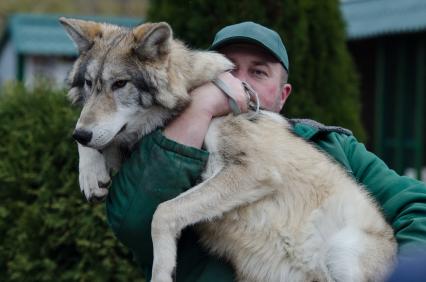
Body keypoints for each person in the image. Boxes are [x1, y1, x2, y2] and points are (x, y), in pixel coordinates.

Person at [106, 22, 426, 281]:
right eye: (229, 71)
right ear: (206, 76)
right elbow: (132, 223)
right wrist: (198, 111)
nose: (240, 84)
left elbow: (414, 203)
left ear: (282, 94)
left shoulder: (330, 144)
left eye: (258, 73)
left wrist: (407, 269)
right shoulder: (166, 143)